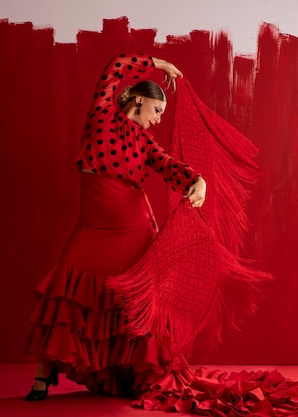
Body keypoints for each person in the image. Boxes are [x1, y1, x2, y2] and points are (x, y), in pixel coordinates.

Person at [22, 52, 207, 401]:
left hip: (134, 228)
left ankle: (138, 373)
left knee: (135, 303)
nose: (158, 120)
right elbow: (114, 68)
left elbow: (168, 166)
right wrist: (157, 63)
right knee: (66, 294)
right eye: (157, 111)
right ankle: (42, 375)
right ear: (140, 99)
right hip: (94, 226)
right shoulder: (102, 116)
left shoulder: (145, 142)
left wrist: (197, 182)